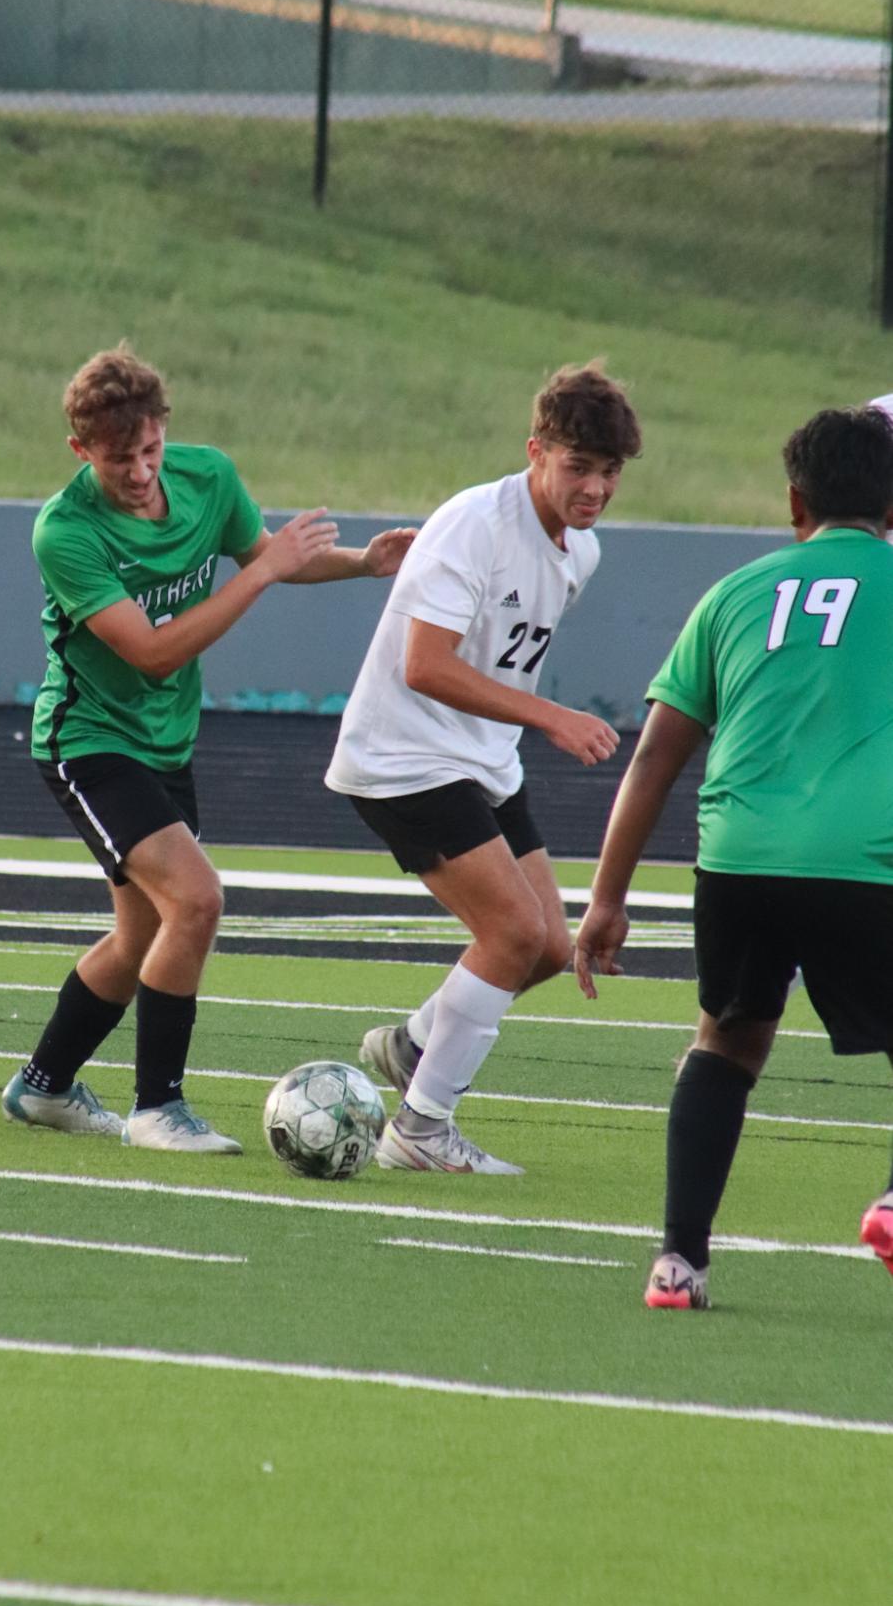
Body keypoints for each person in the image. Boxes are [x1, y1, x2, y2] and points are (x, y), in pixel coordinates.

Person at [5, 344, 414, 1153]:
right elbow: (153, 651)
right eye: (120, 458)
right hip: (87, 741)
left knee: (140, 934)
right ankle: (159, 1107)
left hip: (165, 741)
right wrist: (260, 575)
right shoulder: (65, 530)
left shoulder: (206, 477)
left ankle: (43, 1085)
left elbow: (270, 554)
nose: (141, 471)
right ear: (79, 450)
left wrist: (362, 564)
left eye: (151, 450)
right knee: (196, 900)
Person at [575, 405, 893, 1309]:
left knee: (728, 1039)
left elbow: (655, 756)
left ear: (795, 500)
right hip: (865, 860)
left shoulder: (736, 592)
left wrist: (604, 899)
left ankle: (678, 1264)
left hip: (739, 858)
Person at [326, 363, 642, 1175]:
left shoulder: (585, 551)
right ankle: (421, 1129)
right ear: (536, 450)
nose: (596, 488)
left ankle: (412, 1044)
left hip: (480, 760)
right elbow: (424, 664)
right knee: (509, 931)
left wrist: (521, 726)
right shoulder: (472, 522)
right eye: (579, 467)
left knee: (545, 948)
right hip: (403, 757)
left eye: (609, 472)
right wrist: (551, 716)